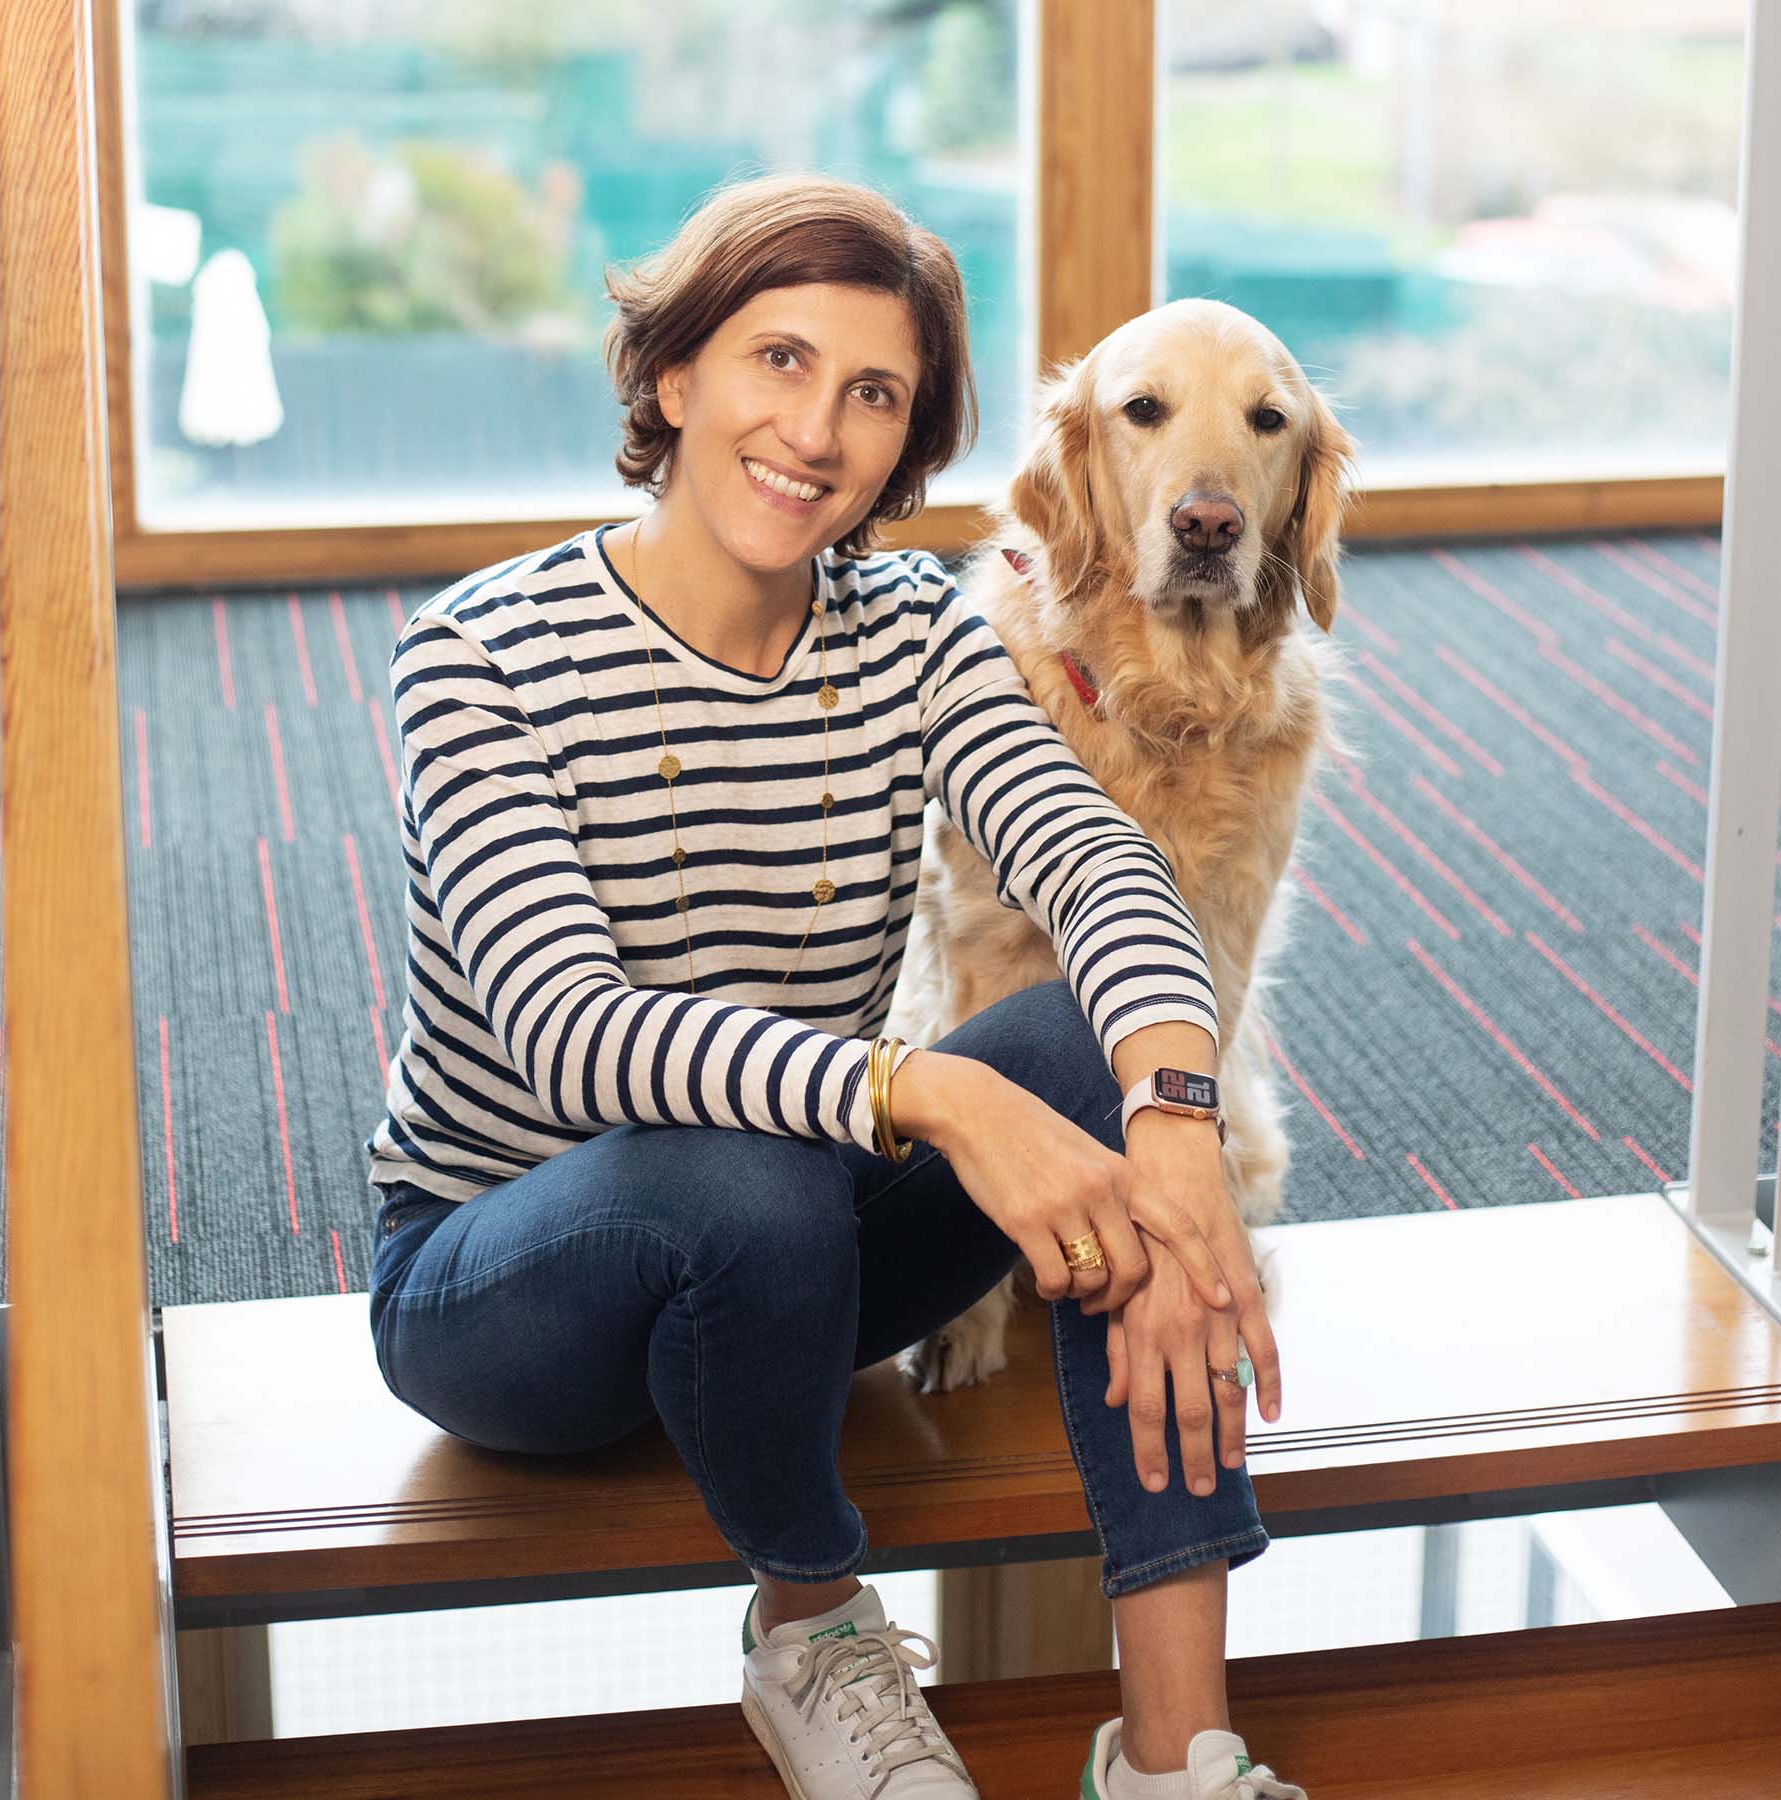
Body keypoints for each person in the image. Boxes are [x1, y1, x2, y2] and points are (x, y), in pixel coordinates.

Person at [364, 172, 1300, 1800]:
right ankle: (812, 1632)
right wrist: (925, 1087)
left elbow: (1100, 864)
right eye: (778, 362)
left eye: (873, 393)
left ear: (908, 437)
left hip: (801, 1257)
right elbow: (576, 1042)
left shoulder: (919, 636)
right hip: (510, 1296)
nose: (817, 429)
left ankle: (1176, 1749)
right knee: (749, 1180)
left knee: (1119, 1046)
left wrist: (1167, 1111)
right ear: (674, 378)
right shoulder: (477, 656)